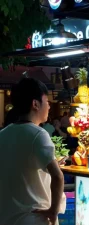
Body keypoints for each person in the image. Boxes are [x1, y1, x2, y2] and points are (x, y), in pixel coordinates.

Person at [0, 78, 64, 225]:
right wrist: (53, 211)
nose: (49, 106)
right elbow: (58, 177)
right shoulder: (38, 134)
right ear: (35, 104)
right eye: (46, 101)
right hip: (34, 218)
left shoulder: (3, 134)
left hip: (6, 217)